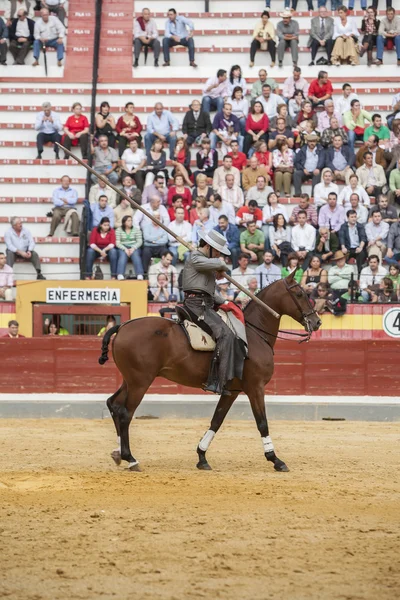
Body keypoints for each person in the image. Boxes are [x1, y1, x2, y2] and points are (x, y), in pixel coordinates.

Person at [182, 229, 247, 395]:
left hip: (205, 303)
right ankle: (215, 380)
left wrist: (225, 302)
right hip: (197, 305)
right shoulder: (196, 257)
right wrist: (221, 265)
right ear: (209, 247)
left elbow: (209, 291)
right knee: (226, 335)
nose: (218, 254)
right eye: (217, 250)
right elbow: (220, 264)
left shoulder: (204, 262)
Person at [115, 215, 143, 280]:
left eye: (131, 220)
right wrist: (125, 249)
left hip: (134, 246)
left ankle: (139, 274)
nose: (131, 222)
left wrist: (133, 248)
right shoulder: (118, 230)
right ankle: (120, 274)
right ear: (124, 222)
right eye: (128, 221)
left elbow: (139, 241)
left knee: (136, 255)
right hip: (123, 247)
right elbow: (117, 242)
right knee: (122, 255)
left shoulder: (136, 230)